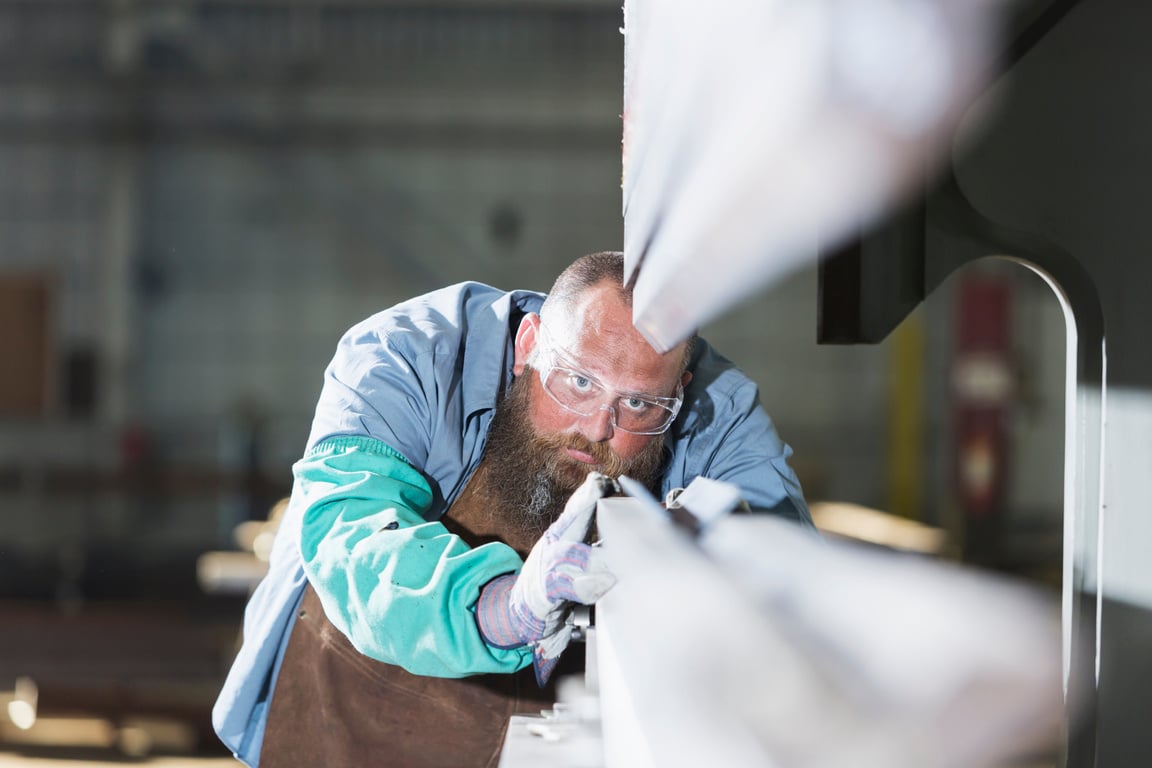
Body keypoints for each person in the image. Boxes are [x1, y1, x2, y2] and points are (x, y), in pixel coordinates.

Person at [212, 251, 811, 766]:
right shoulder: (406, 356)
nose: (597, 428)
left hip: (542, 731)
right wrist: (507, 609)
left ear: (677, 392)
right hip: (354, 704)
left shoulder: (718, 412)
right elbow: (351, 536)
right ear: (529, 345)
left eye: (637, 404)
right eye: (578, 383)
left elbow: (785, 570)